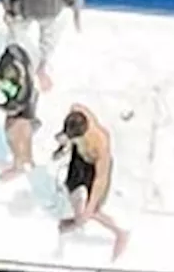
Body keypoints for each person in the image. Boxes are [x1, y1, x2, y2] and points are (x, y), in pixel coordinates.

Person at [53, 105, 129, 261]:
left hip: (95, 169)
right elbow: (75, 106)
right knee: (72, 191)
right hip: (79, 160)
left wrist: (89, 208)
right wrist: (64, 144)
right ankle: (76, 220)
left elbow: (101, 179)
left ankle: (120, 233)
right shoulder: (81, 114)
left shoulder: (100, 143)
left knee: (92, 210)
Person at [0, 42, 41, 181]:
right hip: (26, 97)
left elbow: (11, 108)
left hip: (24, 105)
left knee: (14, 133)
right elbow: (0, 78)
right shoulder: (12, 59)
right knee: (22, 131)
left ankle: (19, 165)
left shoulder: (22, 89)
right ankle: (27, 161)